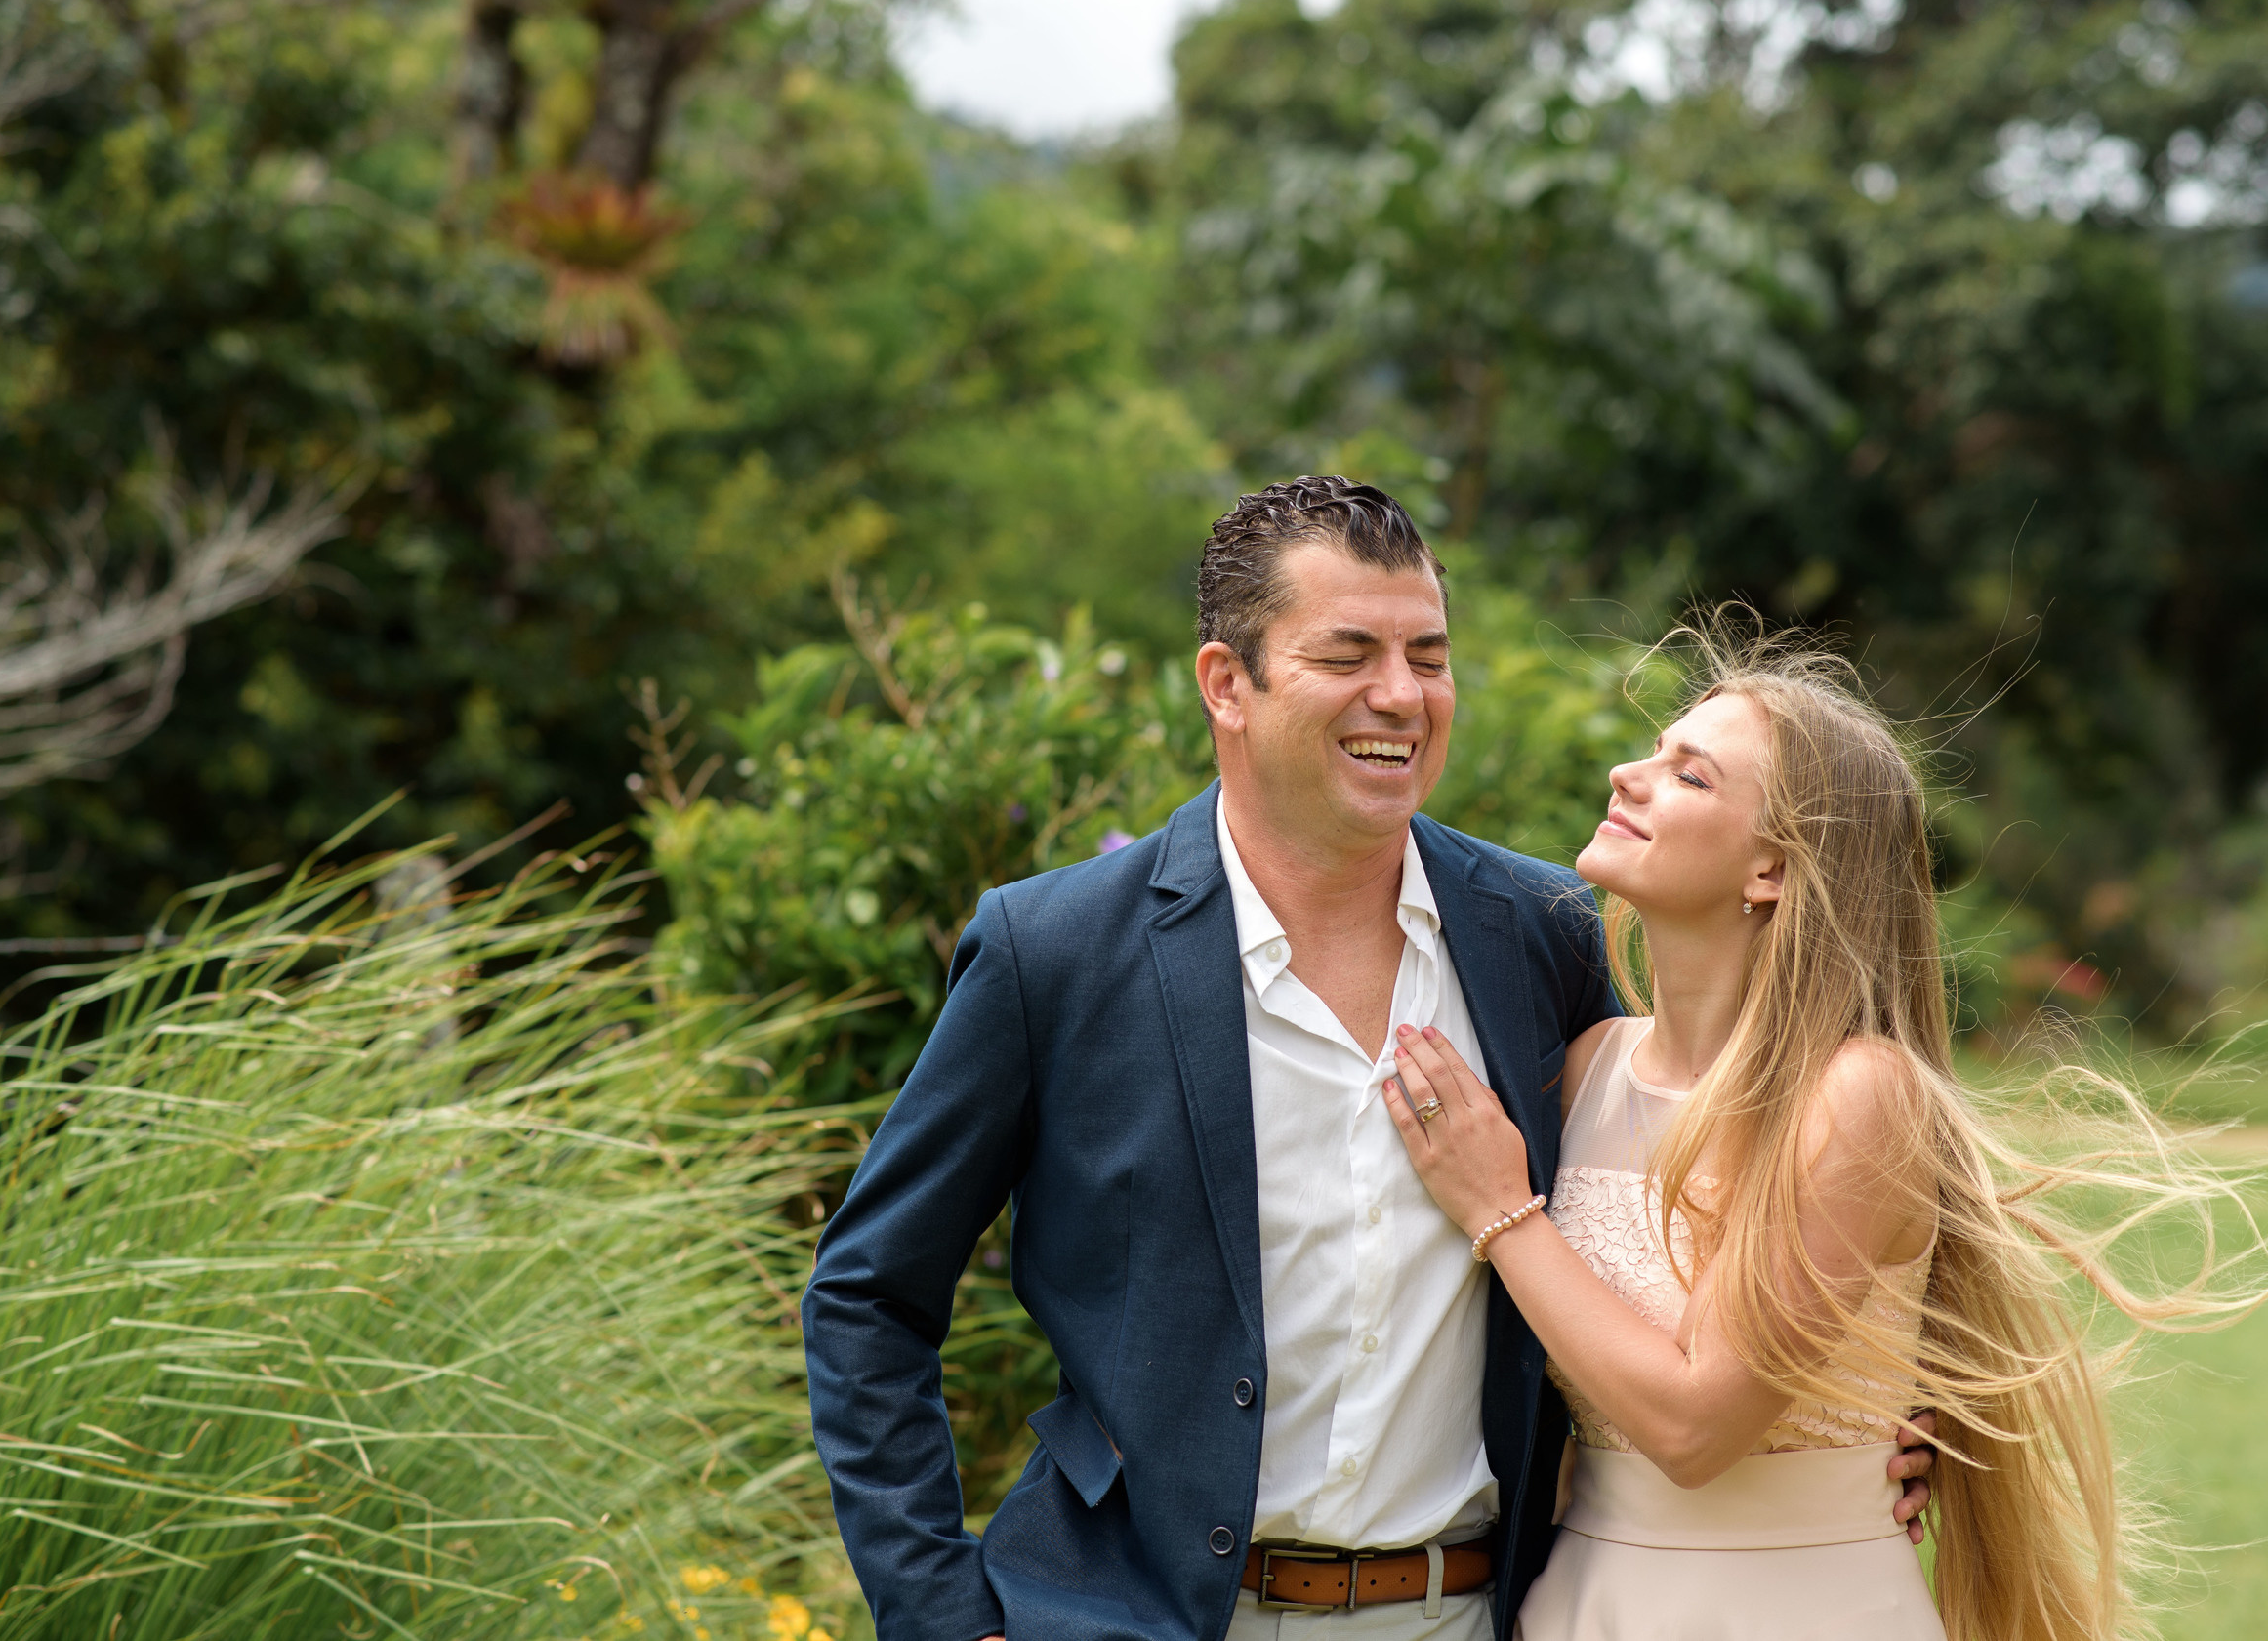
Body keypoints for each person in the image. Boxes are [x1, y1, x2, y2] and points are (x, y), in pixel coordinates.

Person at [800, 478, 1940, 1641]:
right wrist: (941, 1616)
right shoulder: (1055, 951)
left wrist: (1862, 1415)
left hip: (1470, 1615)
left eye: (1428, 655)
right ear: (1225, 684)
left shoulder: (1542, 935)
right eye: (1348, 653)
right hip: (1132, 1613)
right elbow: (867, 1295)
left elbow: (1720, 1188)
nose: (1399, 693)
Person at [1375, 627, 2268, 1640]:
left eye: (1689, 774)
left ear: (1770, 866)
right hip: (1581, 1605)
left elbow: (1691, 1422)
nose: (1627, 773)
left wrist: (1501, 1208)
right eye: (1654, 750)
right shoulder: (1583, 1069)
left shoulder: (1856, 1095)